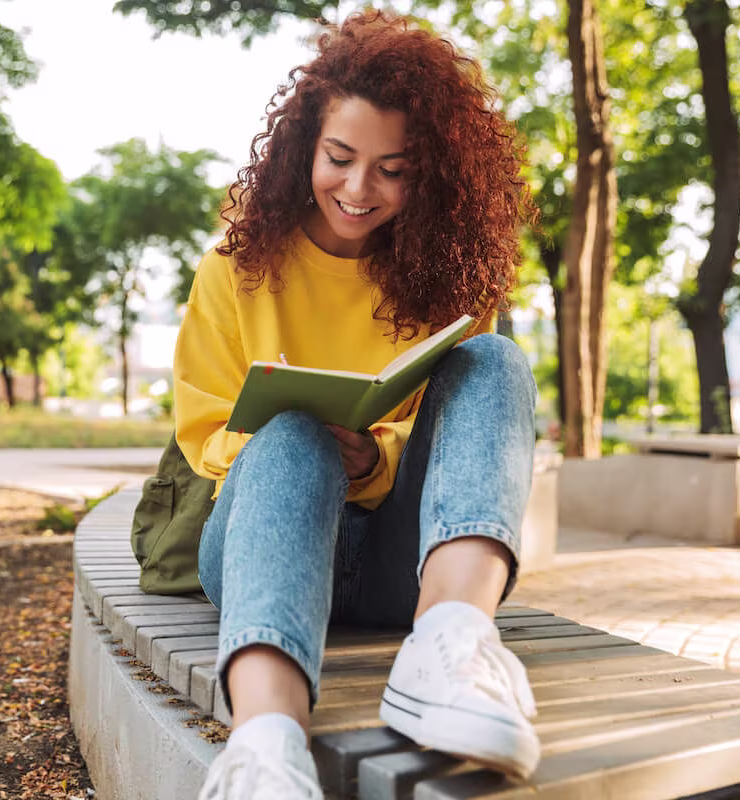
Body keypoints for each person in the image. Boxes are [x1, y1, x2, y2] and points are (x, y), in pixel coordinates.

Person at [171, 10, 541, 799]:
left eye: (393, 169)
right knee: (295, 432)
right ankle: (264, 748)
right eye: (340, 158)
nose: (358, 189)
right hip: (260, 544)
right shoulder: (234, 268)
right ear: (306, 146)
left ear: (428, 174)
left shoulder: (450, 283)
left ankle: (452, 645)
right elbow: (205, 433)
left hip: (401, 564)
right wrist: (306, 445)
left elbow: (460, 451)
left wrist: (374, 460)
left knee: (496, 360)